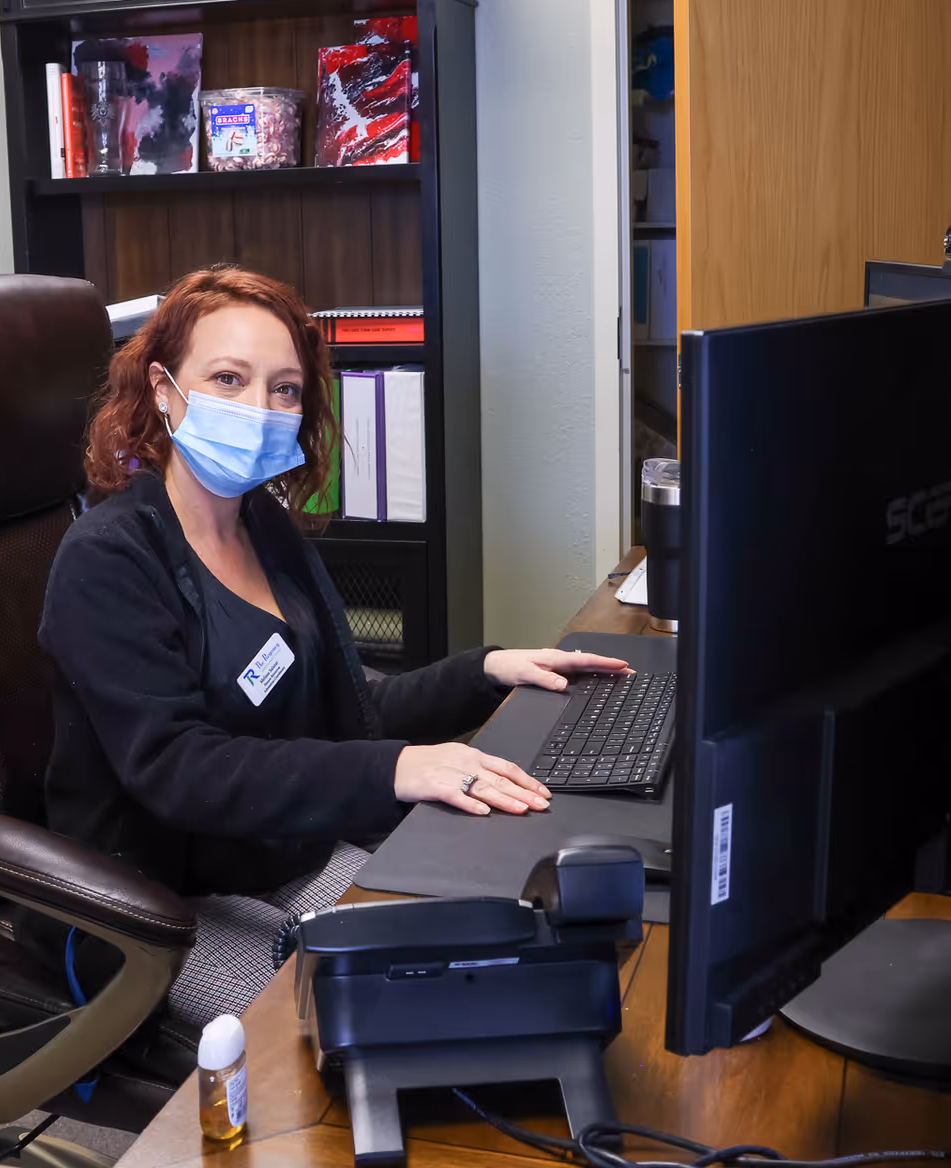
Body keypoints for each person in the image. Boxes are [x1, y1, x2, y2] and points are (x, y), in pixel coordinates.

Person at [39, 265, 627, 1026]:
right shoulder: (108, 559)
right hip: (156, 902)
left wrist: (486, 671)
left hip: (281, 852)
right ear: (161, 388)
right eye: (227, 378)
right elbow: (180, 769)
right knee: (377, 1027)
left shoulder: (262, 523)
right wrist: (397, 769)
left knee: (503, 952)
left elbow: (345, 706)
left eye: (284, 389)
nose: (261, 408)